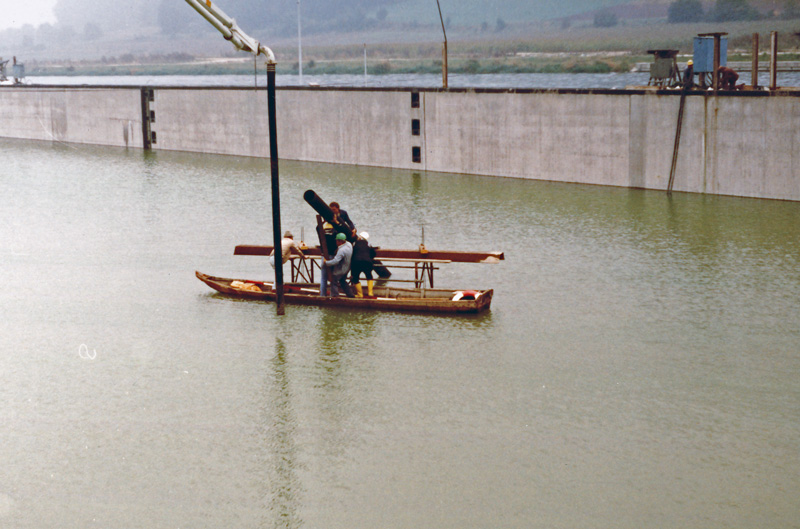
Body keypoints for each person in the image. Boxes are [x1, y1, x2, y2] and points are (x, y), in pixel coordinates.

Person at [322, 232, 354, 297]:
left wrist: (326, 262)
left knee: (333, 281)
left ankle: (335, 296)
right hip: (347, 268)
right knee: (342, 281)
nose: (336, 242)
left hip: (340, 270)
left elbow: (335, 261)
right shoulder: (349, 244)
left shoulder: (342, 250)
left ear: (340, 241)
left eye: (336, 241)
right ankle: (350, 295)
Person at [350, 232, 376, 298]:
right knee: (369, 276)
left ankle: (359, 294)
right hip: (367, 262)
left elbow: (352, 253)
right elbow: (373, 254)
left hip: (356, 262)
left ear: (360, 237)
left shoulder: (354, 243)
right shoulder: (369, 244)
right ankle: (370, 293)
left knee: (355, 278)